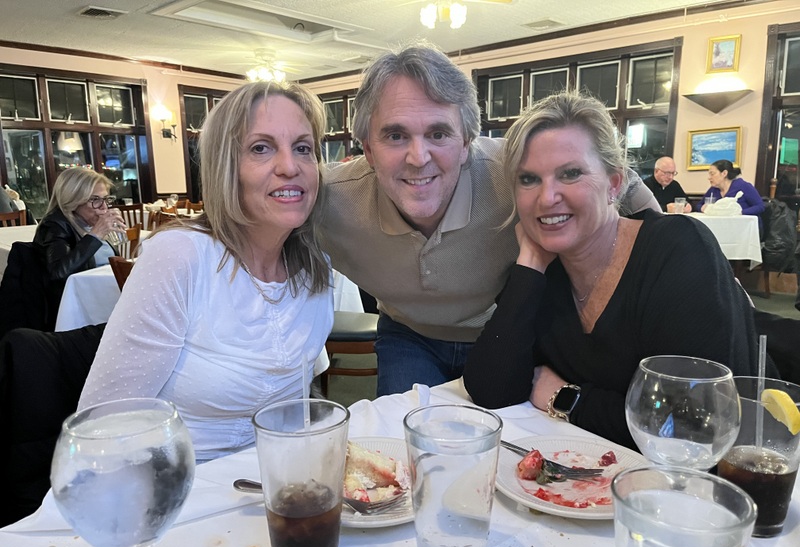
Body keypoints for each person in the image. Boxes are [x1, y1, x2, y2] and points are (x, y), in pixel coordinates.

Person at [320, 42, 661, 396]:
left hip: (504, 327)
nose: (418, 158)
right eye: (395, 135)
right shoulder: (331, 198)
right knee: (407, 426)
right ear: (368, 149)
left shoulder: (515, 170)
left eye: (438, 134)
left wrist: (666, 254)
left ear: (466, 142)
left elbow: (619, 181)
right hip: (409, 335)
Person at [463, 91, 761, 450]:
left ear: (614, 183)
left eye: (570, 173)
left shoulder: (678, 248)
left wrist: (566, 397)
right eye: (528, 179)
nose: (546, 198)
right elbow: (491, 389)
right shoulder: (542, 274)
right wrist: (530, 262)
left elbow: (692, 428)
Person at [79, 81, 333, 461]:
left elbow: (300, 406)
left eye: (303, 148)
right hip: (178, 481)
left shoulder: (314, 267)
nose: (290, 166)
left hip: (279, 479)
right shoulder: (180, 256)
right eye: (260, 148)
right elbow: (104, 426)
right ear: (226, 167)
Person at [32, 167, 126, 303]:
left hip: (109, 292)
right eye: (95, 199)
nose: (104, 207)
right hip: (81, 302)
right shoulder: (54, 225)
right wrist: (95, 235)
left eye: (106, 199)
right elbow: (58, 274)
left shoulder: (89, 222)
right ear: (73, 200)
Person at [700, 159, 765, 226]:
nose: (709, 178)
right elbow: (699, 205)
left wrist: (740, 212)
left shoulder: (744, 186)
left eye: (712, 174)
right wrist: (704, 208)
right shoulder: (713, 189)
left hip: (745, 226)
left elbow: (760, 206)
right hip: (722, 225)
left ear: (724, 173)